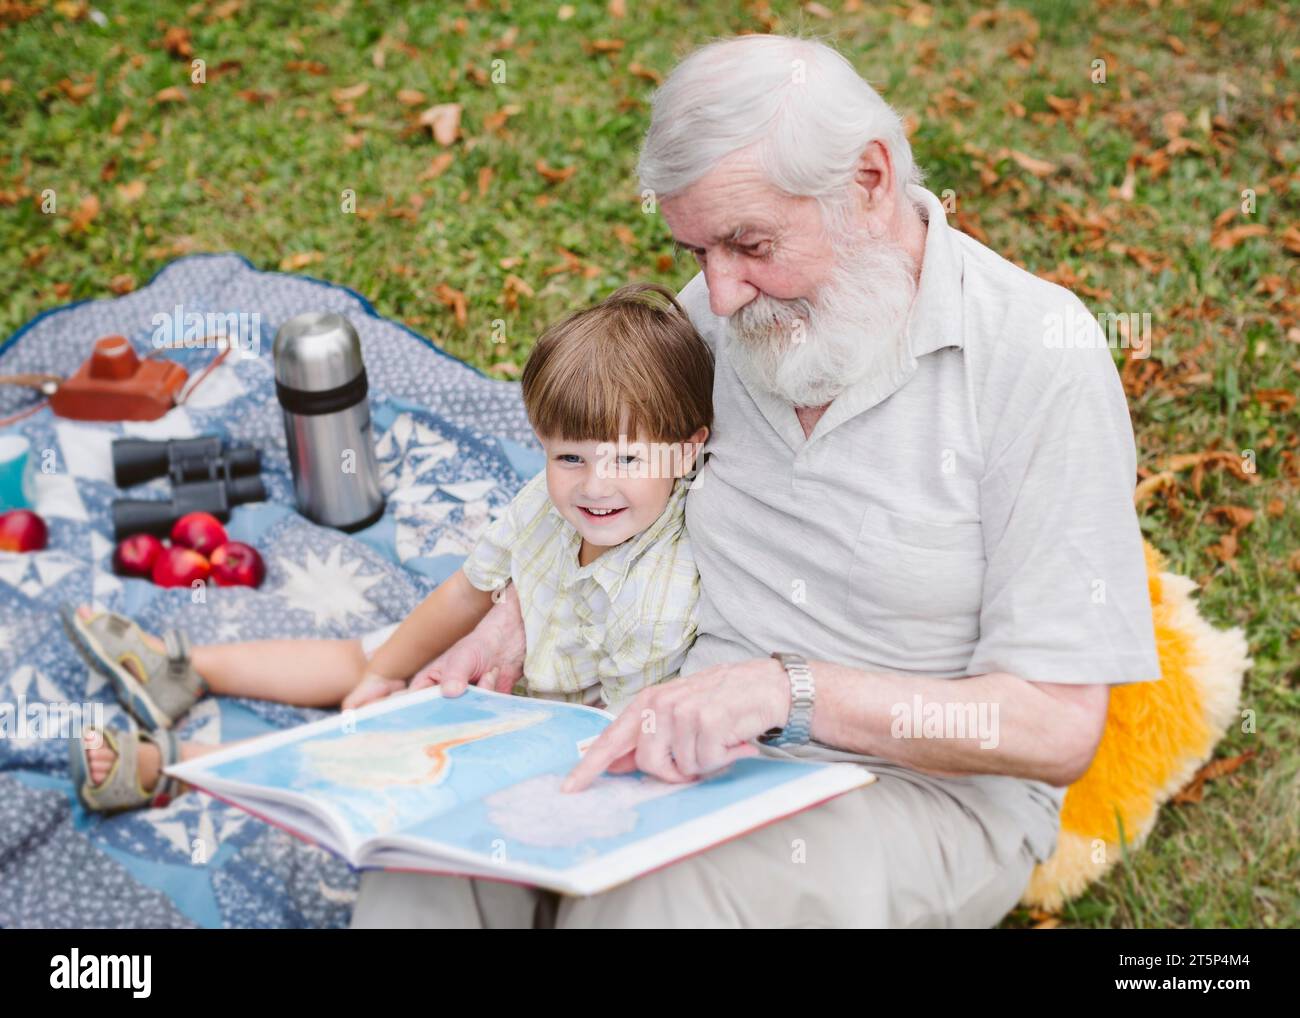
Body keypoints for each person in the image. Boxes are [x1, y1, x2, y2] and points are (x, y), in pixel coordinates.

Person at [348, 34, 1161, 929]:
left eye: (750, 244)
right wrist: (519, 613)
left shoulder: (1036, 360)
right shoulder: (720, 314)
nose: (722, 296)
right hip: (657, 722)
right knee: (423, 855)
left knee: (655, 899)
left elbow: (1054, 729)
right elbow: (625, 489)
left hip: (908, 793)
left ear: (869, 181)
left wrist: (788, 691)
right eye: (696, 251)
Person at [65, 282, 714, 813]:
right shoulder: (544, 504)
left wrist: (428, 716)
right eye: (570, 455)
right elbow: (467, 591)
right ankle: (182, 668)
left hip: (528, 731)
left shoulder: (658, 598)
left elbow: (610, 739)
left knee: (364, 760)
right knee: (364, 652)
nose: (595, 485)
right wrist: (384, 670)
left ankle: (171, 767)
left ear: (686, 450)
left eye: (628, 457)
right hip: (486, 663)